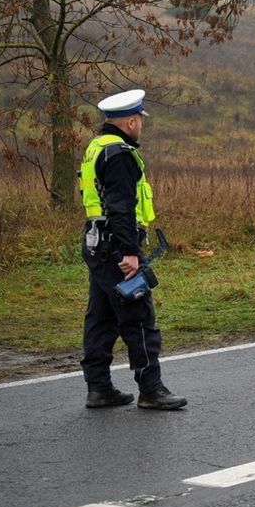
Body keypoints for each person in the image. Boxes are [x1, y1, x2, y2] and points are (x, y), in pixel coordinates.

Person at [78, 89, 187, 410]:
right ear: (129, 121)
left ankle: (99, 389)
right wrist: (129, 252)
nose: (141, 125)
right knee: (138, 316)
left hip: (97, 244)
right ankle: (151, 389)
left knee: (100, 317)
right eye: (139, 120)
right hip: (117, 247)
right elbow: (121, 207)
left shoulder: (96, 148)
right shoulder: (120, 154)